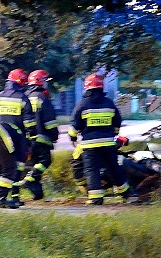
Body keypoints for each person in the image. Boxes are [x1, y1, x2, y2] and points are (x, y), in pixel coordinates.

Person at [70, 73, 131, 205]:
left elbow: (75, 125)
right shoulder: (109, 103)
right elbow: (117, 121)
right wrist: (113, 133)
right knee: (113, 167)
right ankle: (126, 193)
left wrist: (73, 137)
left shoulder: (82, 105)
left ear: (87, 88)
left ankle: (96, 197)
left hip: (90, 145)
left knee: (92, 170)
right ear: (101, 87)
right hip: (108, 143)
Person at [0, 68, 34, 208]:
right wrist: (31, 139)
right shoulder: (22, 98)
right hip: (6, 136)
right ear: (21, 83)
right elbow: (29, 124)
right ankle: (1, 198)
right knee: (10, 168)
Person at [22, 69, 60, 200]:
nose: (47, 84)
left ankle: (37, 193)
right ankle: (30, 180)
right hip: (41, 137)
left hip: (26, 139)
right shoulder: (42, 97)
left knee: (34, 164)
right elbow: (49, 120)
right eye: (46, 82)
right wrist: (54, 135)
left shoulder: (24, 96)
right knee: (45, 160)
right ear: (40, 82)